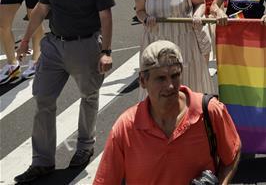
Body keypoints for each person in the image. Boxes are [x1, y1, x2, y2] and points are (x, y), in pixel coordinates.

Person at [13, 0, 114, 183]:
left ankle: (84, 146)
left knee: (88, 96)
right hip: (54, 46)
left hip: (85, 45)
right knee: (43, 98)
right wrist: (25, 40)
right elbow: (41, 9)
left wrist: (106, 52)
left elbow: (106, 17)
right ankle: (42, 161)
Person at [93, 40, 241, 185]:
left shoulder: (209, 111)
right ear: (143, 81)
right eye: (161, 78)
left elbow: (232, 153)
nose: (170, 85)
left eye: (175, 76)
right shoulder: (126, 128)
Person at [134, 0, 213, 96]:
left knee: (189, 84)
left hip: (184, 40)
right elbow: (140, 10)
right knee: (159, 87)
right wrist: (145, 18)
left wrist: (197, 15)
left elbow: (201, 3)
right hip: (156, 41)